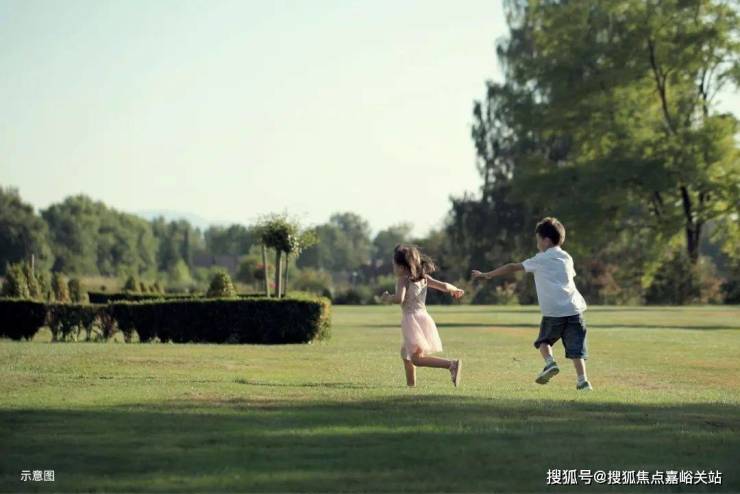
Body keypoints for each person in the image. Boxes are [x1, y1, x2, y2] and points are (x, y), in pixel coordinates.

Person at [472, 217, 592, 390]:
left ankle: (550, 363)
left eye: (538, 240)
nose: (537, 244)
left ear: (546, 240)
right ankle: (583, 381)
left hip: (554, 312)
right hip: (574, 310)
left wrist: (488, 274)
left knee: (544, 341)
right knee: (577, 350)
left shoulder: (540, 259)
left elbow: (513, 267)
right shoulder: (567, 257)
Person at [380, 244, 465, 387]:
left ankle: (451, 365)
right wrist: (455, 289)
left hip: (411, 321)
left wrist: (387, 297)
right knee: (405, 354)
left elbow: (399, 299)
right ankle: (411, 386)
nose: (393, 268)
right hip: (423, 318)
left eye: (394, 265)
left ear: (402, 266)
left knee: (416, 359)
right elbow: (444, 286)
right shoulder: (423, 278)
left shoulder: (403, 279)